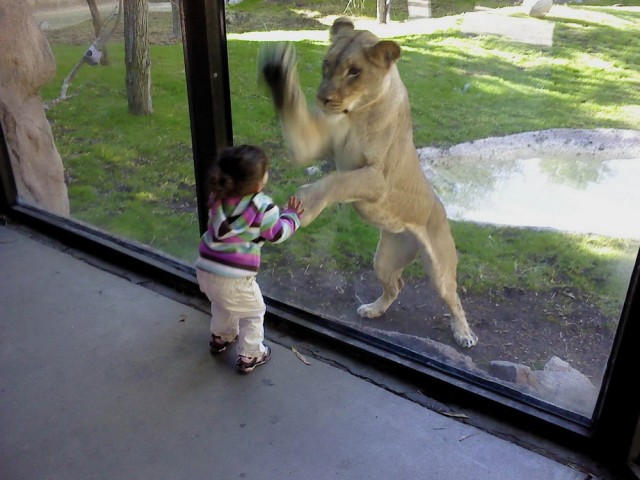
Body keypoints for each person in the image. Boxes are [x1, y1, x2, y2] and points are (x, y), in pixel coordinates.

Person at [195, 144, 304, 373]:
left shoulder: (217, 197)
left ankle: (221, 337)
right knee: (254, 312)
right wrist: (291, 217)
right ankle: (251, 355)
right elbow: (276, 234)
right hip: (234, 279)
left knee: (223, 304)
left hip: (205, 270)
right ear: (258, 184)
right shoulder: (264, 208)